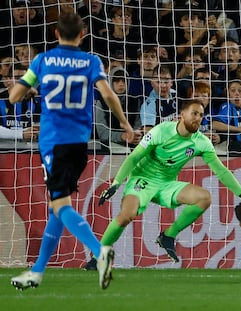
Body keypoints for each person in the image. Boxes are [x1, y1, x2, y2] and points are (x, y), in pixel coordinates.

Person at [8, 12, 134, 290]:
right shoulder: (91, 61)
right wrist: (125, 123)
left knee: (61, 206)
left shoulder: (42, 61)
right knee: (57, 208)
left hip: (54, 144)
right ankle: (37, 272)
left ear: (55, 33)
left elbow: (14, 96)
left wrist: (29, 90)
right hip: (79, 144)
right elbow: (108, 93)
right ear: (82, 34)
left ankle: (99, 251)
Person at [86, 98, 241, 268]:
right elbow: (134, 157)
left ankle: (168, 235)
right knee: (127, 215)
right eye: (194, 114)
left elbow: (221, 171)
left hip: (166, 184)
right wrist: (116, 183)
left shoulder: (201, 142)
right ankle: (98, 256)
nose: (198, 118)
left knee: (204, 198)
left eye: (201, 115)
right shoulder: (161, 131)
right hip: (142, 179)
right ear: (182, 115)